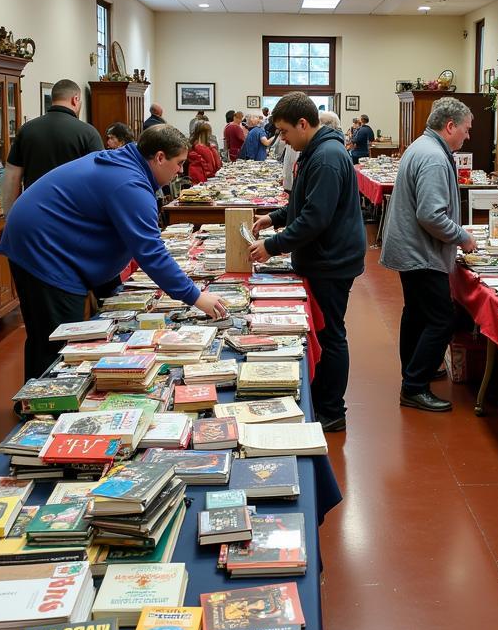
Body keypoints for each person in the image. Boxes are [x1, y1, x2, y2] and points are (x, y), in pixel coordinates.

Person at [0, 125, 228, 381]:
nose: (180, 171)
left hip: (46, 239)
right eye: (178, 163)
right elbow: (150, 252)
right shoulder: (130, 184)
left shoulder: (129, 162)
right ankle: (43, 405)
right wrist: (195, 297)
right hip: (42, 249)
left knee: (61, 331)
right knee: (59, 338)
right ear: (160, 157)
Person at [248, 93, 366, 433]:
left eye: (285, 131)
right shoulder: (317, 151)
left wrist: (272, 246)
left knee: (331, 334)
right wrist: (274, 218)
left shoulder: (326, 157)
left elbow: (315, 218)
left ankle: (331, 410)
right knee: (326, 331)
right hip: (326, 257)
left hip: (331, 261)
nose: (282, 139)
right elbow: (304, 203)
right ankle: (323, 399)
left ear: (303, 124)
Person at [380, 97, 477, 413]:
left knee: (417, 313)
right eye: (465, 129)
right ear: (450, 126)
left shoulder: (422, 146)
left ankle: (414, 370)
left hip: (411, 248)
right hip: (420, 252)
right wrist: (463, 237)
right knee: (441, 318)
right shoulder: (435, 157)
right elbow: (432, 215)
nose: (467, 136)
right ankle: (414, 386)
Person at [0, 79, 103, 212]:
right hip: (73, 213)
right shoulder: (88, 133)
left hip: (34, 211)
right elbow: (99, 177)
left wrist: (10, 215)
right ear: (75, 99)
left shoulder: (26, 130)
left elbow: (12, 176)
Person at [188, 119, 222, 185]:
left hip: (202, 180)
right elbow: (214, 167)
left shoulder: (195, 148)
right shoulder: (202, 150)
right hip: (203, 181)